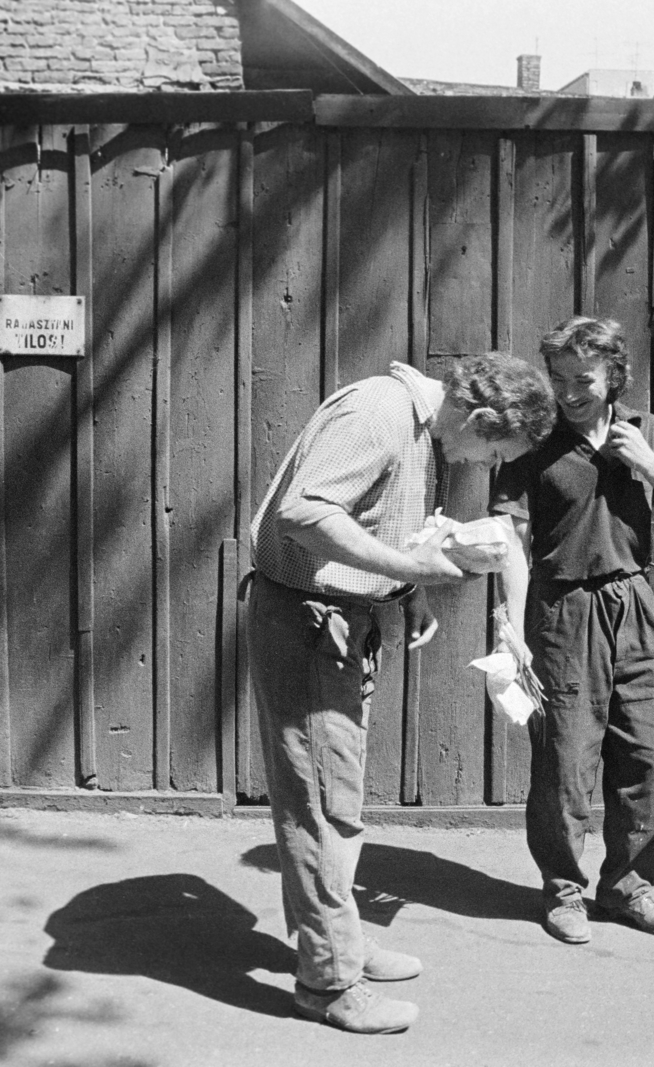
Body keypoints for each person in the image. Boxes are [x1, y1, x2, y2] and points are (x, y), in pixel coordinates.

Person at [248, 353, 555, 1034]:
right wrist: (408, 567)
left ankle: (337, 939)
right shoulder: (381, 413)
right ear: (478, 416)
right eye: (494, 448)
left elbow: (376, 515)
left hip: (340, 622)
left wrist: (405, 592)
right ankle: (328, 982)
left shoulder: (428, 434)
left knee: (336, 796)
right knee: (323, 805)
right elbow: (303, 513)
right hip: (306, 622)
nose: (485, 464)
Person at [492, 316, 654, 945]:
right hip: (561, 611)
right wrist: (510, 623)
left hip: (635, 606)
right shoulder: (534, 439)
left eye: (582, 378)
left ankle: (627, 889)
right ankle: (563, 892)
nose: (568, 391)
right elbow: (508, 536)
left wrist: (646, 462)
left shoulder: (649, 432)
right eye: (558, 378)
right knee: (565, 763)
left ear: (613, 374)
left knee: (648, 758)